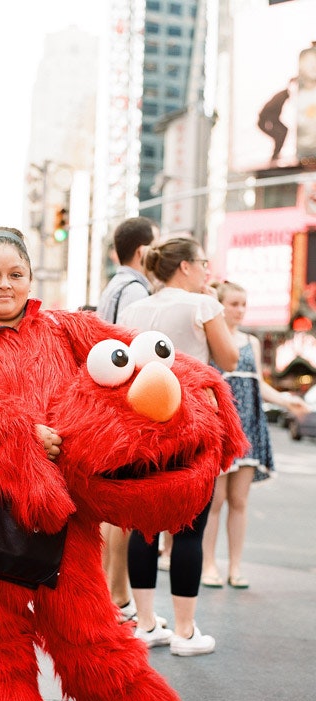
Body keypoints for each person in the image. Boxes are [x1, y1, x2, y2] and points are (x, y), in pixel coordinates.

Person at [0, 226, 246, 701]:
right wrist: (24, 437)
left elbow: (139, 352)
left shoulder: (66, 329)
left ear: (30, 278)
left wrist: (197, 386)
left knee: (83, 614)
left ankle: (116, 699)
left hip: (63, 507)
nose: (4, 285)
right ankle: (0, 697)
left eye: (15, 274)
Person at [117, 237, 240, 656]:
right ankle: (185, 631)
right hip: (192, 426)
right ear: (185, 267)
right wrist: (212, 306)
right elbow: (229, 358)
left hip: (142, 424)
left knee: (145, 523)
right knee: (189, 527)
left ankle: (146, 623)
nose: (207, 270)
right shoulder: (203, 305)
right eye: (203, 262)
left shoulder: (135, 308)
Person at [200, 281, 309, 590]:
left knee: (239, 500)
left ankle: (235, 566)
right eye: (233, 303)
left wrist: (288, 400)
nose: (240, 310)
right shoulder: (212, 338)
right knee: (215, 501)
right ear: (220, 305)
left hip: (248, 426)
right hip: (221, 426)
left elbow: (257, 384)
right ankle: (209, 564)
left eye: (243, 304)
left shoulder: (251, 342)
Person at [94, 216, 158, 620]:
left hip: (107, 402)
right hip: (125, 403)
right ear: (142, 251)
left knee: (113, 509)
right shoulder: (134, 288)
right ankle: (116, 595)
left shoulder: (114, 285)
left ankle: (108, 592)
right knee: (124, 511)